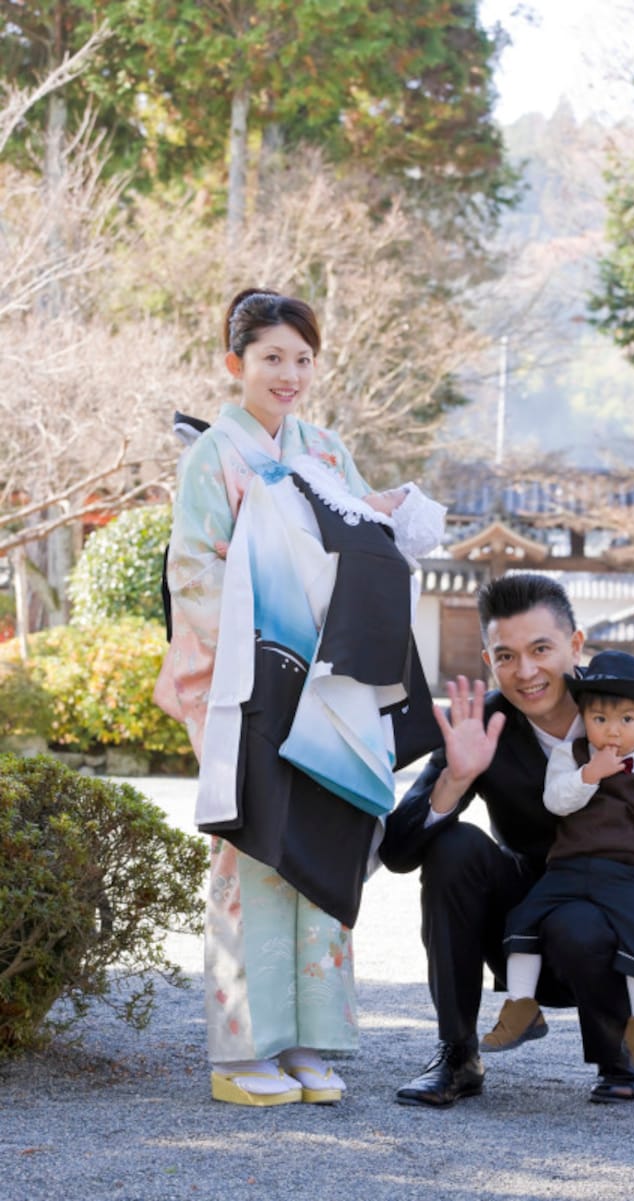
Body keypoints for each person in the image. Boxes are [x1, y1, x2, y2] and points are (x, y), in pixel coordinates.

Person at [155, 287, 445, 1107]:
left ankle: (312, 1041)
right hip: (251, 681)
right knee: (254, 856)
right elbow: (194, 572)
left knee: (322, 845)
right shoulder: (214, 455)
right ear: (234, 363)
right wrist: (257, 642)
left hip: (326, 676)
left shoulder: (324, 447)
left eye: (302, 359)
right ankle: (242, 1050)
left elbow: (359, 540)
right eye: (272, 357)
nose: (288, 374)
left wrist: (392, 515)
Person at [379, 572, 634, 1105]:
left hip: (616, 915)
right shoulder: (485, 724)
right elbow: (397, 851)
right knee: (455, 847)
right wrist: (456, 779)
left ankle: (620, 1049)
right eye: (506, 656)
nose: (525, 672)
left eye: (541, 649)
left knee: (584, 922)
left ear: (576, 645)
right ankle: (457, 1053)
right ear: (489, 661)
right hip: (523, 923)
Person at [479, 650, 634, 1081]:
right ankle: (521, 1006)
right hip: (567, 866)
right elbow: (555, 801)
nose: (612, 731)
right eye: (600, 719)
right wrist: (590, 774)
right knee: (522, 922)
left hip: (624, 871)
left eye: (627, 719)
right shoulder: (573, 754)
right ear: (585, 718)